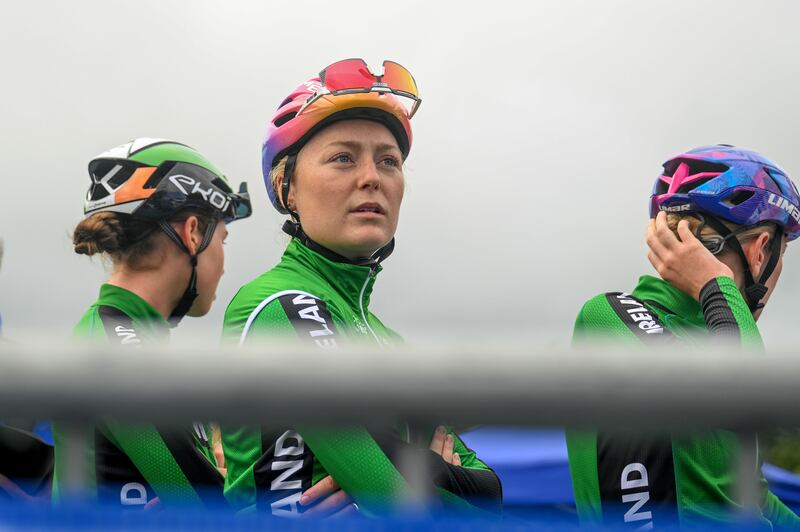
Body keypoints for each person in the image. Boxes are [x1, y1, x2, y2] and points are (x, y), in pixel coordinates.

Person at [220, 59, 502, 517]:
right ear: (286, 187)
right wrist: (441, 476)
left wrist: (435, 478)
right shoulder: (281, 306)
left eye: (388, 161)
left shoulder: (387, 339)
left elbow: (492, 497)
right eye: (343, 158)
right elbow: (402, 501)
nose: (371, 176)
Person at [567, 144, 800, 529]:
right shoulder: (610, 314)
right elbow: (739, 390)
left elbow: (751, 496)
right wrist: (716, 284)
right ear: (761, 252)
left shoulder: (717, 335)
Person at [52, 138, 252, 509]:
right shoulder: (121, 356)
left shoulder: (123, 339)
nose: (223, 264)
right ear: (193, 233)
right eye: (223, 239)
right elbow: (212, 512)